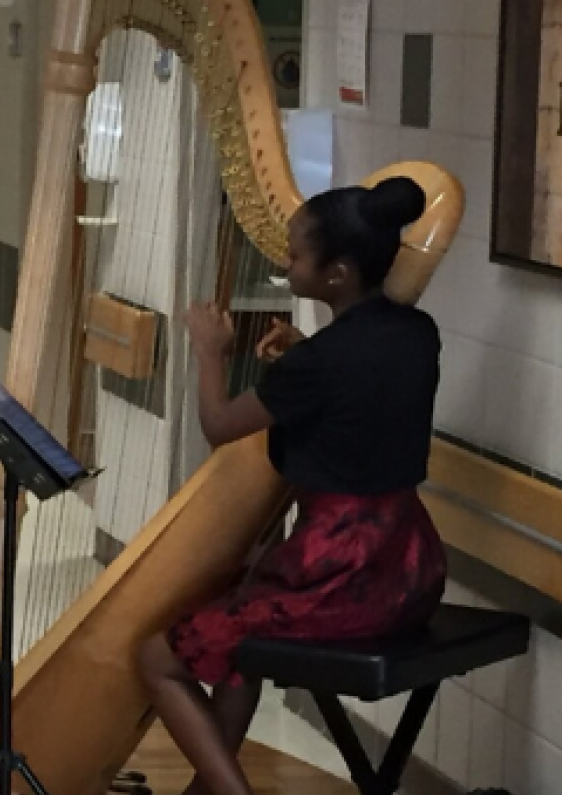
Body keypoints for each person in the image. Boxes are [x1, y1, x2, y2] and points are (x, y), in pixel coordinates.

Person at [135, 176, 447, 795]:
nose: (285, 261)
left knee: (155, 657)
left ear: (336, 274)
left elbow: (220, 424)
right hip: (409, 567)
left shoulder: (318, 365)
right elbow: (363, 395)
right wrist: (303, 354)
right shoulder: (418, 334)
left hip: (339, 576)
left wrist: (210, 352)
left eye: (297, 254)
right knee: (237, 645)